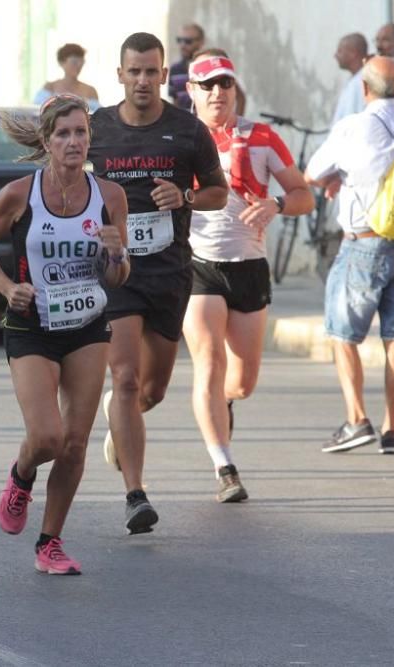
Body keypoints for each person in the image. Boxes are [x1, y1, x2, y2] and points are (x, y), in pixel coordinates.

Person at [0, 94, 129, 573]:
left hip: (87, 324)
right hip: (32, 325)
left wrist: (118, 254)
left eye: (81, 133)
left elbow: (119, 278)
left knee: (76, 442)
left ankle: (50, 543)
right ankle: (21, 477)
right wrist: (6, 286)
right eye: (63, 134)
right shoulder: (21, 193)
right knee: (46, 439)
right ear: (46, 142)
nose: (74, 142)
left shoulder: (110, 197)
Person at [87, 32, 227, 533]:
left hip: (169, 272)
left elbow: (218, 192)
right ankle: (136, 495)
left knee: (152, 390)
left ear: (165, 75)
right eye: (134, 71)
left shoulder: (188, 131)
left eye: (152, 71)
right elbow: (66, 180)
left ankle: (122, 422)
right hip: (116, 271)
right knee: (123, 377)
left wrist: (186, 198)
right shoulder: (96, 128)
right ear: (120, 75)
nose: (143, 80)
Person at [183, 51, 314, 501]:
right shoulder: (180, 139)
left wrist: (277, 203)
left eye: (225, 84)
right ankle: (225, 469)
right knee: (208, 364)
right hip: (198, 265)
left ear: (236, 89)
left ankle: (224, 406)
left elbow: (303, 195)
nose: (218, 93)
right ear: (191, 92)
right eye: (208, 85)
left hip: (250, 269)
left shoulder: (262, 137)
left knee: (239, 382)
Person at [305, 55, 394, 455]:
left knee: (342, 334)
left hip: (364, 243)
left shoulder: (354, 127)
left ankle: (357, 419)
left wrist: (339, 178)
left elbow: (312, 172)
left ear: (364, 88)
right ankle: (392, 429)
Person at [34, 43, 100, 111]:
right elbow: (37, 111)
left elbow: (98, 115)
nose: (79, 65)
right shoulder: (50, 87)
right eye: (74, 62)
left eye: (82, 61)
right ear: (61, 62)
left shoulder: (90, 91)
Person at [333, 33, 369, 125]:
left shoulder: (364, 81)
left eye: (340, 51)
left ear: (353, 53)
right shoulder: (353, 81)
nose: (335, 56)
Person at [168, 23, 205, 111]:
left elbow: (239, 96)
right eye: (179, 40)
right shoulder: (175, 69)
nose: (182, 45)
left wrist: (238, 123)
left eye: (188, 41)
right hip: (183, 123)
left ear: (201, 42)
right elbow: (175, 103)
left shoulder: (210, 66)